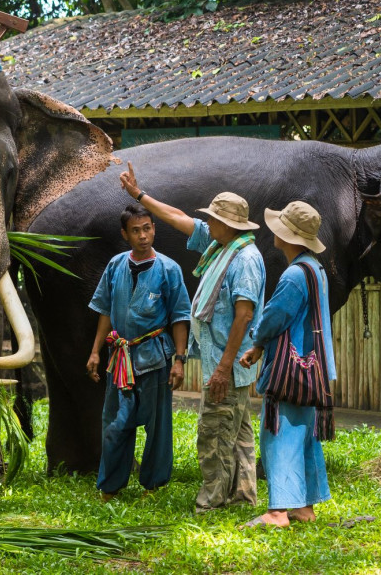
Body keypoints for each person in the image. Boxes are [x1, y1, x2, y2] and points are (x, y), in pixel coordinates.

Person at [119, 162, 265, 513]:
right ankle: (243, 497)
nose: (207, 223)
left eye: (213, 219)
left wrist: (222, 369)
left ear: (227, 225)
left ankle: (211, 501)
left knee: (214, 433)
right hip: (228, 363)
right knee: (240, 433)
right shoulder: (222, 245)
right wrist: (139, 195)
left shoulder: (243, 258)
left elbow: (244, 315)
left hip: (226, 365)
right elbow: (177, 217)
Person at [239, 201, 336, 528]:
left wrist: (256, 342)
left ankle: (278, 511)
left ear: (290, 237)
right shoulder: (315, 269)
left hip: (290, 371)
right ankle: (304, 507)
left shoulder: (294, 275)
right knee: (305, 437)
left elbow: (274, 318)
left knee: (277, 435)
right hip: (313, 368)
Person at [86, 203, 191, 500]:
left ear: (154, 229)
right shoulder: (116, 265)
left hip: (155, 358)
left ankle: (154, 485)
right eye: (136, 231)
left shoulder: (169, 269)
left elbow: (180, 317)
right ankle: (111, 486)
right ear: (125, 234)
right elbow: (105, 311)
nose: (143, 236)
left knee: (157, 426)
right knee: (115, 424)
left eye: (147, 228)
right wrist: (96, 352)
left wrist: (179, 361)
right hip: (121, 358)